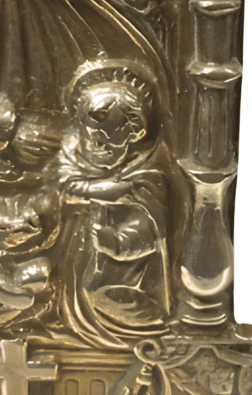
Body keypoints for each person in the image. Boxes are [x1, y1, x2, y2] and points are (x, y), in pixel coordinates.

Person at [54, 59, 171, 347]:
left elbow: (150, 225)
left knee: (107, 301)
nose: (96, 145)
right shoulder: (72, 153)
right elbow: (62, 187)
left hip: (124, 272)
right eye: (90, 136)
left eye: (106, 137)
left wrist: (118, 243)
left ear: (134, 130)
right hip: (73, 261)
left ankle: (143, 339)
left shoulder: (147, 172)